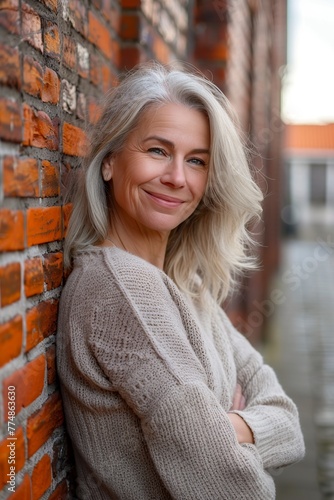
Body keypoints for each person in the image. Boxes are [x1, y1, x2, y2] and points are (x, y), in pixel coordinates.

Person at [57, 62, 305, 499]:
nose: (176, 177)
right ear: (110, 161)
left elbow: (289, 422)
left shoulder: (183, 285)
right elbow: (235, 489)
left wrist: (227, 428)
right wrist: (229, 435)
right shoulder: (122, 292)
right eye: (157, 150)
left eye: (196, 161)